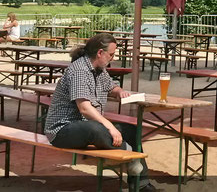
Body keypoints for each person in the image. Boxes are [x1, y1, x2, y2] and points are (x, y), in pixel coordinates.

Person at [44, 34, 154, 192]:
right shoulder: (80, 71)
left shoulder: (99, 70)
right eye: (111, 54)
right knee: (95, 129)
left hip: (85, 125)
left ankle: (141, 185)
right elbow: (84, 108)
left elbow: (111, 86)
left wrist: (119, 91)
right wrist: (110, 126)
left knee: (131, 130)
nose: (113, 58)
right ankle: (131, 158)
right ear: (100, 53)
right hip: (62, 129)